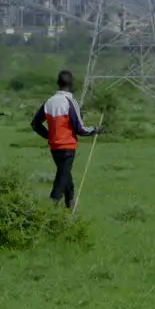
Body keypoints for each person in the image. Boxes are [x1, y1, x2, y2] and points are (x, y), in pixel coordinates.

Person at [31, 70, 102, 209]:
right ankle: (49, 207)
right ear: (72, 85)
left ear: (58, 83)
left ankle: (70, 206)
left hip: (54, 148)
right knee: (62, 177)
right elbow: (80, 128)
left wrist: (49, 135)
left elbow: (35, 124)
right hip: (68, 147)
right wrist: (95, 130)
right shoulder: (70, 102)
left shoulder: (49, 101)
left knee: (65, 175)